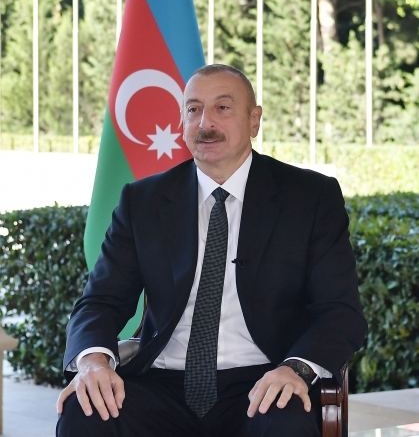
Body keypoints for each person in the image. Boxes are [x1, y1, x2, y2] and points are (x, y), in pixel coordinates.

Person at [56, 63, 367, 437]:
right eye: (194, 109)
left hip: (265, 379)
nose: (206, 123)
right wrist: (93, 361)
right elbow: (100, 301)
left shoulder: (310, 198)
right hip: (160, 382)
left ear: (254, 120)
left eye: (223, 107)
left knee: (286, 423)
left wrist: (295, 369)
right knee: (86, 412)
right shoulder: (143, 201)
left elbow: (339, 311)